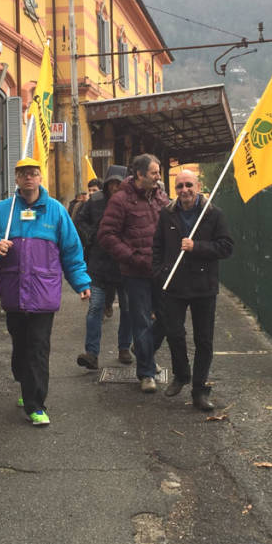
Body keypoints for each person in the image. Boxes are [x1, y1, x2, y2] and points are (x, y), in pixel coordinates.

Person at [0, 157, 91, 426]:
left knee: (38, 347)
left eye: (33, 173)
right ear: (16, 179)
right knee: (20, 346)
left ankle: (36, 404)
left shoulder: (56, 211)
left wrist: (82, 283)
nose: (29, 178)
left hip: (43, 293)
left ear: (41, 178)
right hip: (13, 293)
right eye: (23, 174)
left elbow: (71, 251)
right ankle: (25, 382)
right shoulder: (3, 210)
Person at [152, 169, 234, 411]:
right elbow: (157, 245)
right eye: (179, 187)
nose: (184, 190)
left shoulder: (213, 214)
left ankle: (199, 390)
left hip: (203, 286)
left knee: (204, 340)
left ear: (198, 187)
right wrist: (159, 272)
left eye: (188, 185)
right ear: (174, 190)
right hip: (174, 284)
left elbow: (226, 247)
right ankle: (181, 374)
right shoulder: (167, 215)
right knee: (174, 333)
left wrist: (196, 246)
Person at [98, 153, 168, 393]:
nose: (158, 177)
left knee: (168, 318)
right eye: (154, 173)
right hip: (135, 273)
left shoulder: (161, 198)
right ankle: (146, 373)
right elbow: (106, 235)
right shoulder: (120, 200)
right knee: (141, 322)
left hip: (160, 270)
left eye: (158, 173)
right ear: (139, 174)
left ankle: (143, 349)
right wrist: (131, 257)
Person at [74, 165, 132, 370]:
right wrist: (91, 236)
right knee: (95, 307)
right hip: (98, 266)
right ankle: (92, 354)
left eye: (119, 182)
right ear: (107, 183)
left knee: (128, 309)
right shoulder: (96, 201)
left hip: (125, 266)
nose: (116, 187)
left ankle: (124, 347)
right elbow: (78, 221)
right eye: (112, 183)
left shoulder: (132, 201)